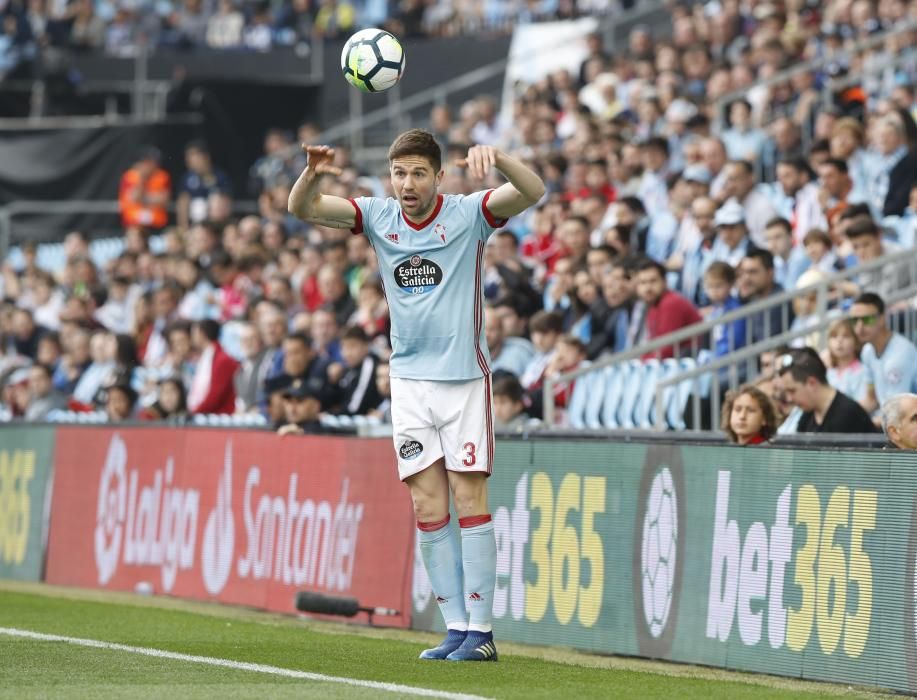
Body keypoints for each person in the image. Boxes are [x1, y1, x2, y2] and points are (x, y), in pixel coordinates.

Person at [288, 129, 545, 661]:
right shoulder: (379, 217)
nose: (407, 184)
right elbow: (303, 208)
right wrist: (312, 172)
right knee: (427, 504)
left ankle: (483, 632)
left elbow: (533, 189)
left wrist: (498, 159)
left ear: (438, 176)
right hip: (408, 382)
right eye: (399, 173)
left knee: (469, 499)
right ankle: (454, 628)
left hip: (463, 381)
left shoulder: (469, 213)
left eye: (418, 173)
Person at [776, 347, 879, 434]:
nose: (789, 398)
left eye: (792, 391)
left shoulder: (848, 415)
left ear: (812, 383)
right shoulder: (808, 414)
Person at [849, 293, 917, 415]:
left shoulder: (901, 354)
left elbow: (899, 414)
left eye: (867, 319)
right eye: (854, 320)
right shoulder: (867, 351)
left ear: (882, 318)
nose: (859, 326)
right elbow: (871, 399)